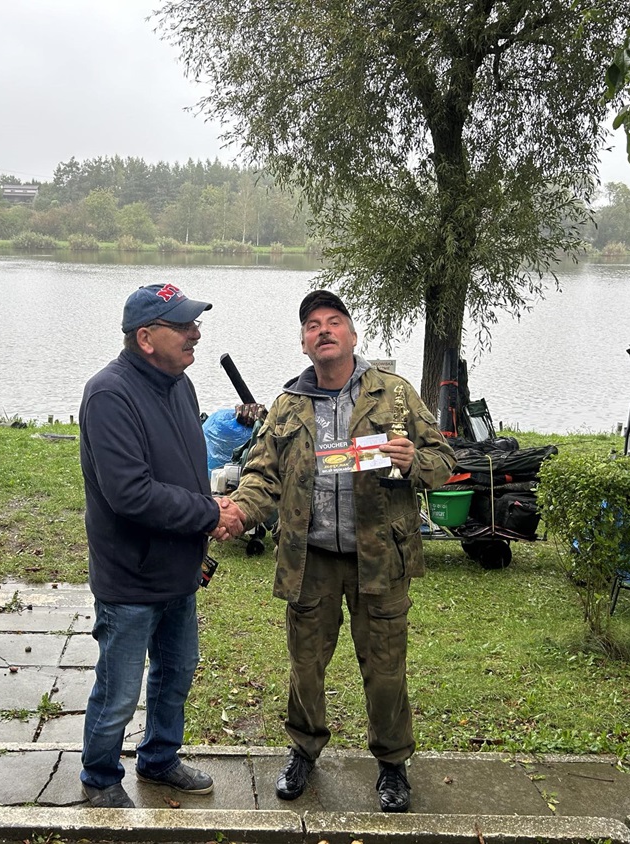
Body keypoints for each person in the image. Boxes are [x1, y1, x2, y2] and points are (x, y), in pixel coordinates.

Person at [219, 290, 454, 812]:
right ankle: (303, 751)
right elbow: (262, 475)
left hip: (381, 559)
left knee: (386, 669)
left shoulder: (393, 394)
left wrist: (413, 461)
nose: (323, 330)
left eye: (333, 321)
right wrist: (237, 512)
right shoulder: (288, 405)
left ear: (352, 335)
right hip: (311, 558)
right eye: (312, 325)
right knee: (305, 665)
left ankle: (392, 764)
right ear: (304, 344)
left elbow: (443, 460)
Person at [78, 282, 242, 809]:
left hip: (179, 569)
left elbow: (187, 472)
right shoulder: (109, 394)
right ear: (146, 338)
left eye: (195, 323)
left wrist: (211, 508)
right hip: (130, 577)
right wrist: (209, 513)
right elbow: (130, 494)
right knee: (120, 689)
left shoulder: (180, 384)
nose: (196, 334)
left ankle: (159, 758)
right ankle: (100, 776)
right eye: (183, 326)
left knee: (176, 674)